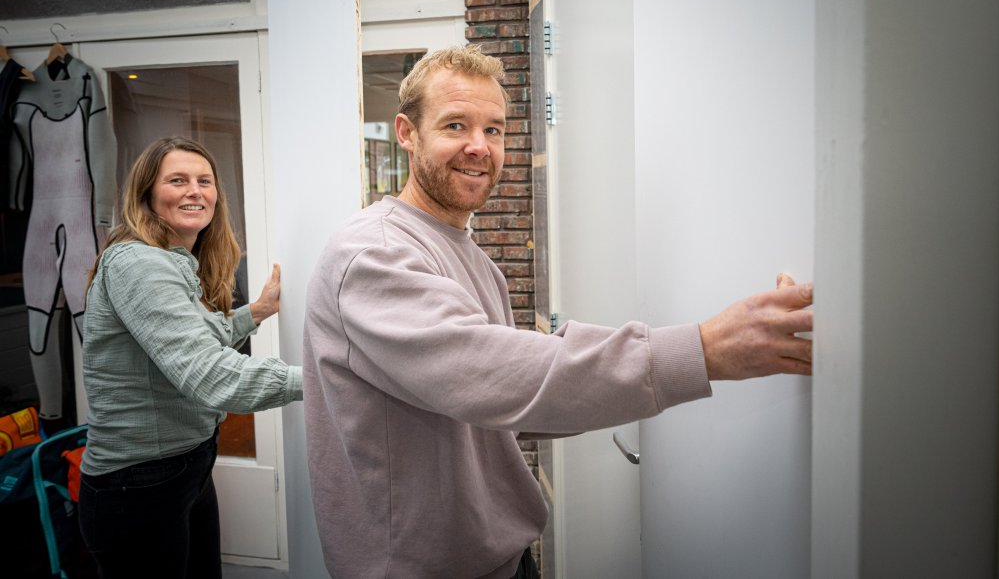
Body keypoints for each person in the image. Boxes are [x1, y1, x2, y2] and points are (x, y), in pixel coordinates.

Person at [303, 45, 813, 578]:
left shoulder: (466, 253)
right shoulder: (374, 255)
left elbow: (510, 391)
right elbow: (502, 378)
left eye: (494, 130)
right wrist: (703, 350)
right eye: (456, 125)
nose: (479, 147)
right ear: (407, 133)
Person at [77, 137, 302, 579]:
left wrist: (255, 311)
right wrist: (325, 379)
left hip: (186, 466)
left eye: (204, 181)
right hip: (138, 483)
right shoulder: (138, 264)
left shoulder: (171, 259)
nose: (194, 191)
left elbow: (191, 339)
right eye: (177, 180)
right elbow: (210, 375)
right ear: (147, 195)